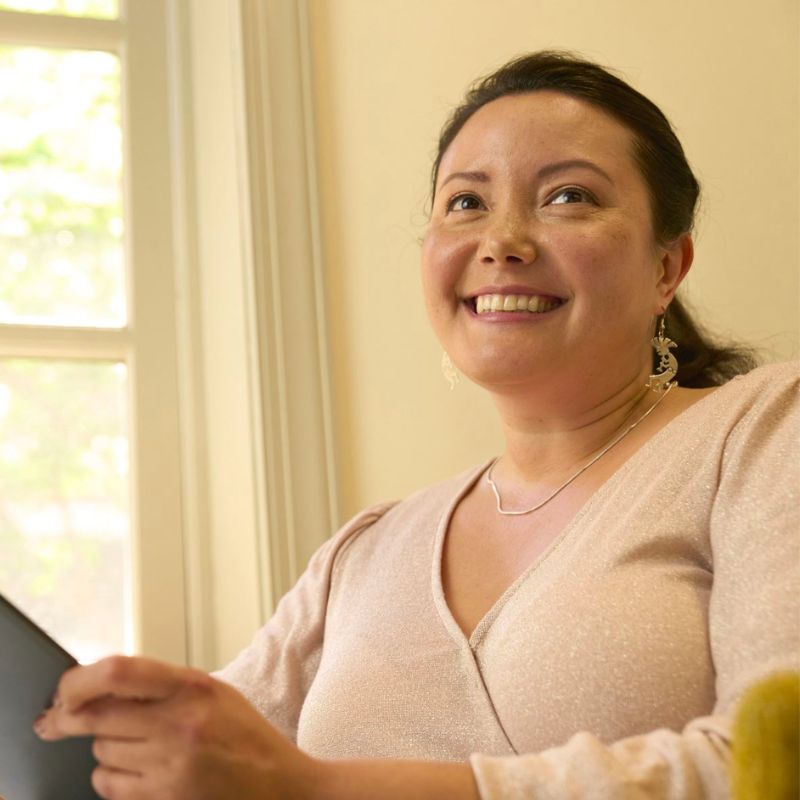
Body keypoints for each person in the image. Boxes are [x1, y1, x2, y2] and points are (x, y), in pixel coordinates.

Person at [34, 51, 798, 799]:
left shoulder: (763, 430)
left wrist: (321, 789)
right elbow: (211, 759)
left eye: (568, 196)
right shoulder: (363, 553)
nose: (502, 242)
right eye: (466, 202)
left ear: (669, 267)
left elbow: (773, 760)